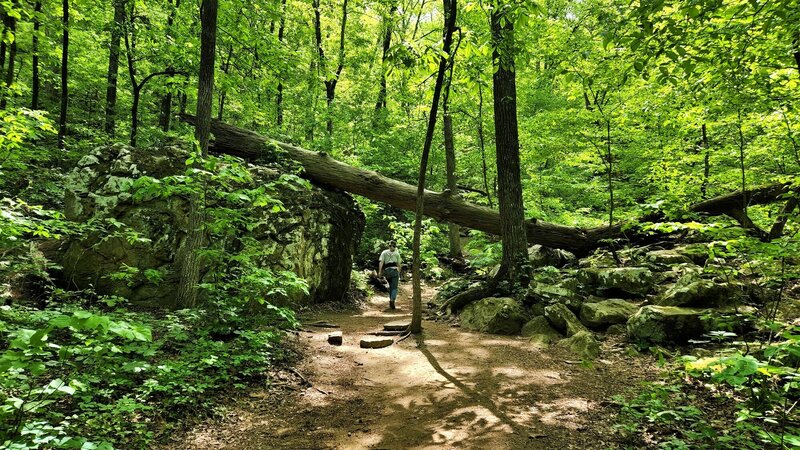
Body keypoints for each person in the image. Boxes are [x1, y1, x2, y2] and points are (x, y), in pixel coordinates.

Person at [378, 240, 402, 309]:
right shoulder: (397, 253)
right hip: (394, 271)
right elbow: (398, 264)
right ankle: (392, 300)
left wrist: (380, 272)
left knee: (391, 286)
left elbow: (381, 262)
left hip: (387, 271)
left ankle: (391, 300)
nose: (392, 247)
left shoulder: (384, 252)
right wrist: (399, 272)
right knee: (394, 287)